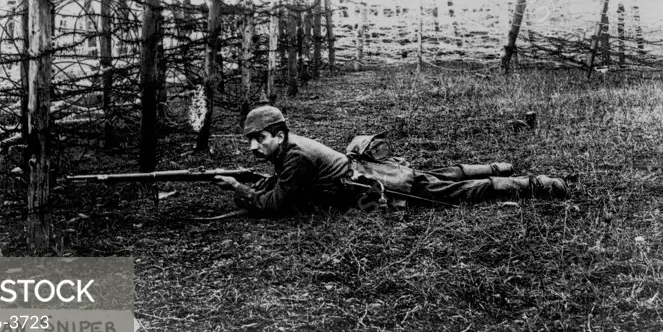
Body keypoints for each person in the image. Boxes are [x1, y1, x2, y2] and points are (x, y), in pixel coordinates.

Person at [214, 106, 570, 217]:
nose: (252, 147)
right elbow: (285, 186)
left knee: (459, 190)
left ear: (278, 134)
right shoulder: (291, 148)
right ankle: (500, 165)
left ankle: (536, 184)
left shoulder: (296, 157)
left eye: (258, 139)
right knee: (442, 174)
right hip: (376, 172)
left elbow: (278, 205)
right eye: (250, 140)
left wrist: (241, 191)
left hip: (379, 184)